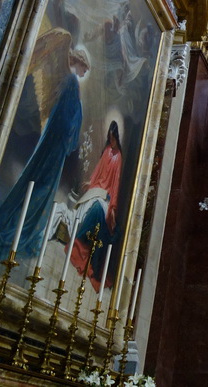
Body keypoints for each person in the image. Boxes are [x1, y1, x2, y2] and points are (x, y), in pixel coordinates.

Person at [0, 43, 89, 259]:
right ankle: (25, 226)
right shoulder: (71, 82)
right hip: (56, 143)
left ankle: (26, 224)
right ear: (79, 63)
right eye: (85, 68)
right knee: (43, 184)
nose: (85, 72)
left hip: (55, 142)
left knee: (41, 182)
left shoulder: (70, 81)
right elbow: (65, 117)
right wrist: (68, 138)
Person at [68, 121, 123, 290]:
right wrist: (90, 182)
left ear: (116, 138)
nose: (111, 141)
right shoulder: (106, 151)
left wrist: (113, 206)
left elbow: (115, 184)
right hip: (96, 188)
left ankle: (84, 245)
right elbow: (98, 171)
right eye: (109, 138)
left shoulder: (118, 157)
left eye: (113, 138)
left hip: (106, 195)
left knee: (98, 209)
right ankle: (79, 240)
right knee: (88, 204)